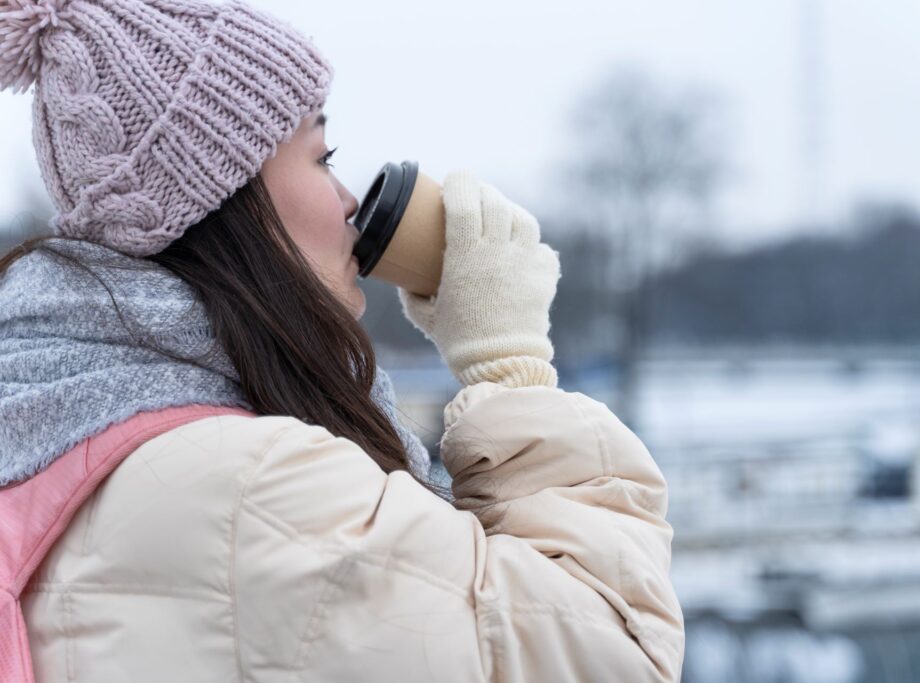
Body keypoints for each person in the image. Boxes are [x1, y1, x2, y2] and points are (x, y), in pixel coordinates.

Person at [0, 0, 685, 681]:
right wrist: (510, 368)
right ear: (223, 199)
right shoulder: (259, 488)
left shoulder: (49, 423)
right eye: (322, 156)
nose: (352, 198)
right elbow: (610, 653)